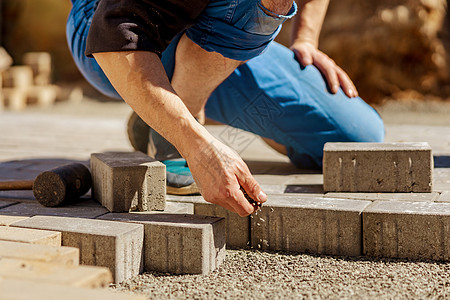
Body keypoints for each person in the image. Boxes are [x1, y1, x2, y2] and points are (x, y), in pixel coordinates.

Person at [66, 0, 385, 217]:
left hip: (219, 28)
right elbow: (114, 32)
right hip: (107, 36)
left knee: (356, 135)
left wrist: (306, 40)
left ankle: (161, 109)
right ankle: (176, 121)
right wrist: (198, 148)